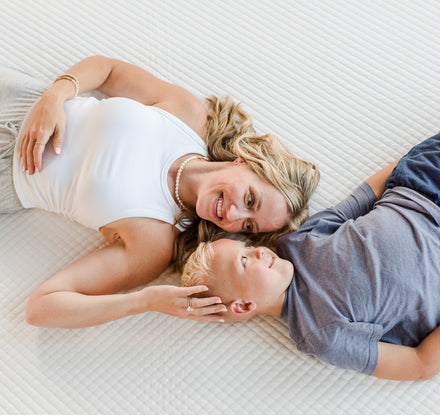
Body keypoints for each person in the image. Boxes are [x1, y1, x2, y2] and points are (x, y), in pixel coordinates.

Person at [0, 56, 319, 328]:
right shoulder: (189, 115)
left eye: (248, 226)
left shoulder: (154, 245)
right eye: (250, 199)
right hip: (22, 96)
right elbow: (108, 70)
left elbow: (41, 308)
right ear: (246, 161)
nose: (233, 214)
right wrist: (57, 95)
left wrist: (144, 300)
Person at [181, 134, 440, 381]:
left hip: (421, 184)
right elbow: (420, 363)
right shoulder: (320, 335)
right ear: (244, 306)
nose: (259, 250)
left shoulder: (296, 242)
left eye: (247, 247)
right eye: (245, 261)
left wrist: (405, 162)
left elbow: (363, 197)